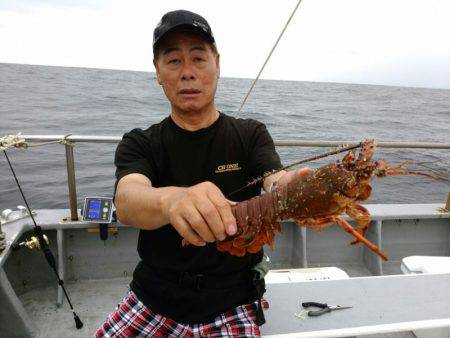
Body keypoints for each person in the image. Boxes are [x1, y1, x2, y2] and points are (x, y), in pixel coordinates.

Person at [95, 9, 311, 338]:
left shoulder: (251, 134)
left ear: (217, 65)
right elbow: (127, 200)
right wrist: (172, 200)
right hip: (154, 296)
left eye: (198, 58)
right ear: (157, 71)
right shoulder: (140, 142)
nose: (188, 73)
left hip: (233, 299)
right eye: (173, 61)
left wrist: (291, 186)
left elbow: (274, 177)